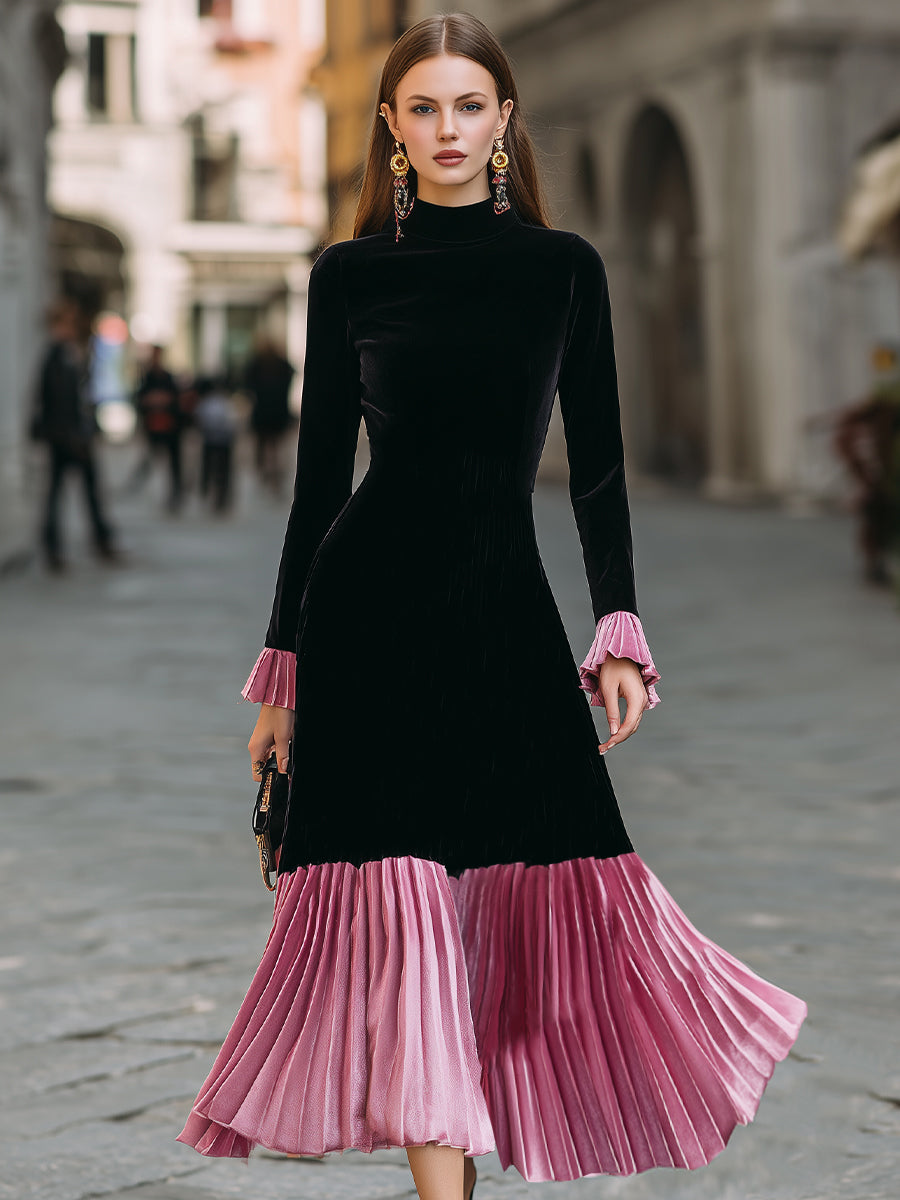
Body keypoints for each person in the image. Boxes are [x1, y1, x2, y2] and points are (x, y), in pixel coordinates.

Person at [177, 14, 807, 1198]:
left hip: (505, 617)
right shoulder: (347, 276)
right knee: (407, 908)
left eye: (470, 106)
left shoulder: (564, 269)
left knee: (559, 879)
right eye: (423, 108)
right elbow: (317, 489)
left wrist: (618, 625)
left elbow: (605, 465)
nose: (447, 129)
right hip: (365, 624)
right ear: (391, 126)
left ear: (504, 121)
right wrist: (282, 673)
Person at [31, 297, 119, 572]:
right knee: (63, 492)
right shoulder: (57, 355)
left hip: (73, 435)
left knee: (84, 491)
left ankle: (96, 540)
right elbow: (55, 399)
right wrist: (69, 433)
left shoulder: (70, 352)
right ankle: (56, 546)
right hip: (66, 438)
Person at [831, 342, 900, 587]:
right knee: (877, 512)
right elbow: (850, 428)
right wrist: (863, 472)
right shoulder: (881, 400)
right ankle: (875, 561)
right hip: (882, 473)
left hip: (887, 470)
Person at [132, 345, 185, 512]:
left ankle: (175, 494)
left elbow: (175, 400)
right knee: (153, 459)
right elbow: (140, 400)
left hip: (169, 426)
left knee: (173, 463)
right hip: (153, 425)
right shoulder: (147, 378)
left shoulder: (168, 377)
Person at [244, 337, 296, 496]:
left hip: (263, 411)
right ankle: (274, 476)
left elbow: (247, 383)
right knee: (276, 446)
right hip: (277, 411)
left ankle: (266, 474)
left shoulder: (257, 364)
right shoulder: (281, 364)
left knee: (264, 445)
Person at [194, 376, 238, 513]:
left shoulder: (206, 403)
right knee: (222, 471)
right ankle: (220, 496)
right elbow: (233, 423)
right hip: (224, 442)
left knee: (209, 470)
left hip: (211, 441)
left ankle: (209, 493)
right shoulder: (226, 403)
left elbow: (199, 421)